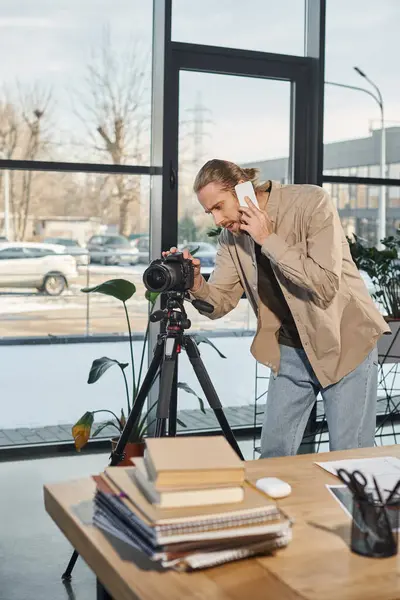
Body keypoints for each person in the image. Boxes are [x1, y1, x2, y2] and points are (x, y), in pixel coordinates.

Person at [164, 159, 390, 457]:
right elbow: (220, 302)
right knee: (273, 455)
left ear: (243, 189)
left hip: (345, 345)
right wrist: (195, 284)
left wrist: (267, 238)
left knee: (348, 460)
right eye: (210, 212)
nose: (217, 220)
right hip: (291, 353)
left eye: (219, 207)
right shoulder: (230, 239)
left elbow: (323, 284)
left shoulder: (310, 202)